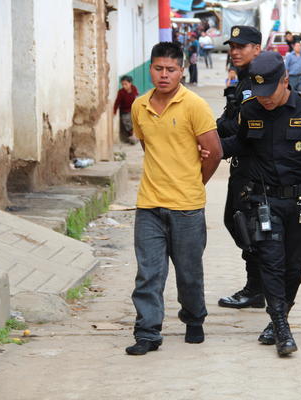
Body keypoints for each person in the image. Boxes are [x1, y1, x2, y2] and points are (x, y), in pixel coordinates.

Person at [222, 51, 301, 356]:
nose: (264, 99)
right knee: (271, 263)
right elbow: (238, 143)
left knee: (295, 267)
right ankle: (280, 326)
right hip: (263, 201)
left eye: (269, 92)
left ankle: (280, 317)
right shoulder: (250, 109)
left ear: (284, 81)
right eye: (259, 91)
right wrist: (210, 146)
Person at [125, 42, 223, 356]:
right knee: (148, 272)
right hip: (149, 204)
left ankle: (194, 319)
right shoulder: (139, 106)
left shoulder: (194, 105)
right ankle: (148, 332)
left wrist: (194, 182)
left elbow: (215, 152)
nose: (164, 75)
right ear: (150, 68)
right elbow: (148, 148)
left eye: (170, 69)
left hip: (187, 207)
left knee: (189, 272)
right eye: (158, 68)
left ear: (181, 70)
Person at [216, 26, 265, 310]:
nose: (235, 51)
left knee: (247, 225)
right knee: (238, 222)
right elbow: (231, 119)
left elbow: (241, 126)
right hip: (242, 166)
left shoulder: (258, 80)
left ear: (256, 49)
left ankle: (258, 287)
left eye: (241, 46)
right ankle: (259, 284)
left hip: (255, 167)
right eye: (232, 46)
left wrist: (217, 133)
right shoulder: (243, 79)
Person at [113, 75, 139, 145]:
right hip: (125, 111)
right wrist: (114, 110)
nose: (124, 86)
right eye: (122, 84)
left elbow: (137, 98)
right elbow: (117, 102)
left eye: (126, 84)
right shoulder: (121, 92)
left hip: (133, 109)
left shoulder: (134, 89)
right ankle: (132, 135)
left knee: (136, 121)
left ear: (130, 83)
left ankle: (135, 136)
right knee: (127, 122)